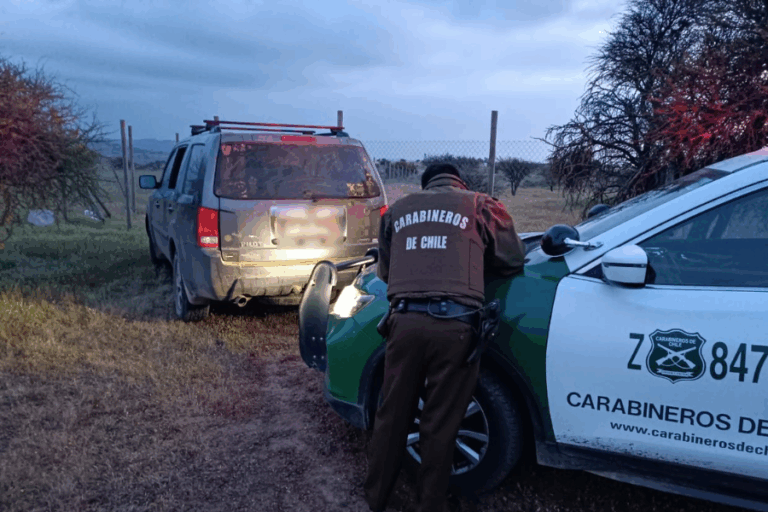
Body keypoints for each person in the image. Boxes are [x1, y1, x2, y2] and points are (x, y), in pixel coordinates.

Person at [364, 163, 526, 512]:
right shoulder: (480, 204)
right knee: (440, 421)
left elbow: (386, 271)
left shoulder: (397, 210)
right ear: (459, 182)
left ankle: (376, 498)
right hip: (455, 326)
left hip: (403, 324)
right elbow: (513, 259)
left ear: (426, 185)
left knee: (392, 416)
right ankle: (431, 504)